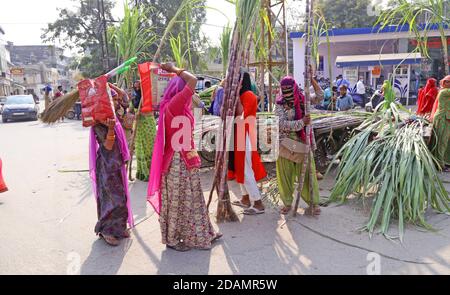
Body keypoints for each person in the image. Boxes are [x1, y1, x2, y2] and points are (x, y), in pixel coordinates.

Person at [147, 63, 222, 252]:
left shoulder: (177, 106)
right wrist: (174, 69)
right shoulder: (175, 104)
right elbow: (193, 80)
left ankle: (203, 232)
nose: (191, 94)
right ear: (180, 90)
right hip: (176, 161)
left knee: (193, 197)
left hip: (185, 156)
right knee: (179, 201)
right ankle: (172, 239)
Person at [275, 73, 323, 215]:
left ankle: (313, 202)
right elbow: (281, 124)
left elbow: (320, 96)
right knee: (285, 175)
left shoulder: (303, 99)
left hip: (302, 142)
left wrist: (311, 79)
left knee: (308, 173)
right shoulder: (279, 104)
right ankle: (287, 202)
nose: (287, 93)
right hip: (286, 143)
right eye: (284, 90)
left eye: (290, 89)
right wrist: (302, 122)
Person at [89, 115, 134, 246]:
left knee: (121, 198)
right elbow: (108, 146)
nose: (114, 102)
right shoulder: (97, 124)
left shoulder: (111, 117)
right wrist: (110, 129)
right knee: (111, 200)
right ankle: (107, 231)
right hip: (106, 167)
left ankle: (119, 229)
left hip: (116, 164)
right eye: (112, 100)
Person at [229, 70, 267, 215]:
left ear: (240, 82)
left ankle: (258, 203)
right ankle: (245, 198)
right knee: (239, 167)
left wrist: (237, 97)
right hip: (237, 133)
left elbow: (240, 115)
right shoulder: (240, 95)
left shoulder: (249, 96)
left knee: (245, 168)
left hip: (244, 133)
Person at [133, 80, 157, 181]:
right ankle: (142, 172)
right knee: (139, 149)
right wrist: (133, 113)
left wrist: (141, 113)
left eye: (139, 86)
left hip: (148, 125)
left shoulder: (148, 97)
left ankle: (152, 172)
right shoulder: (135, 97)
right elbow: (131, 108)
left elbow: (152, 110)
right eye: (136, 86)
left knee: (149, 148)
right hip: (139, 126)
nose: (137, 87)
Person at [430, 76, 450, 172]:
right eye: (447, 82)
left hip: (446, 118)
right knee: (441, 142)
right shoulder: (444, 92)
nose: (449, 84)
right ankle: (440, 165)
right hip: (442, 119)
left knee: (444, 141)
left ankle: (444, 162)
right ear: (444, 83)